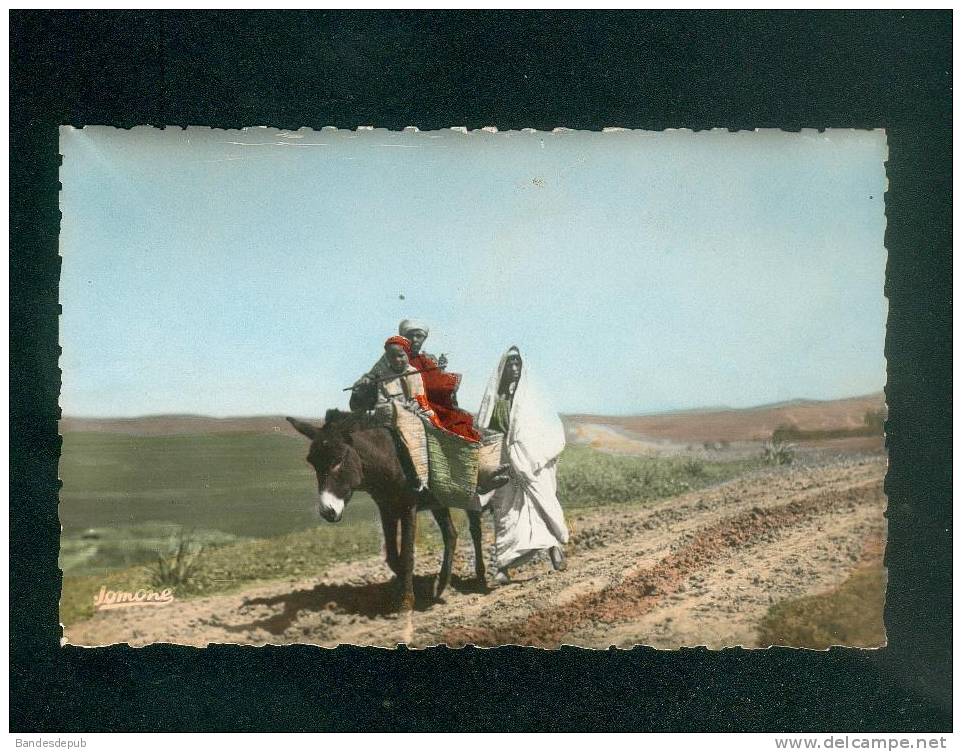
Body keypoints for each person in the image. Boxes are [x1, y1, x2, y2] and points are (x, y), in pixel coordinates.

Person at [476, 346, 569, 584]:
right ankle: (503, 567)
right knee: (506, 511)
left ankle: (554, 548)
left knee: (539, 505)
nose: (514, 369)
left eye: (518, 364)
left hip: (530, 461)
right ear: (503, 369)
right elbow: (486, 428)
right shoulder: (496, 398)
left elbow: (549, 428)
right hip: (505, 462)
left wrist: (533, 454)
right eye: (510, 365)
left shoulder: (534, 397)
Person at [396, 319, 480, 442]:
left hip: (431, 403)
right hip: (409, 402)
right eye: (410, 336)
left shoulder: (427, 359)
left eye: (418, 336)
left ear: (424, 339)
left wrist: (441, 370)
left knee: (458, 423)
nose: (414, 339)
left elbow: (436, 381)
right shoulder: (396, 357)